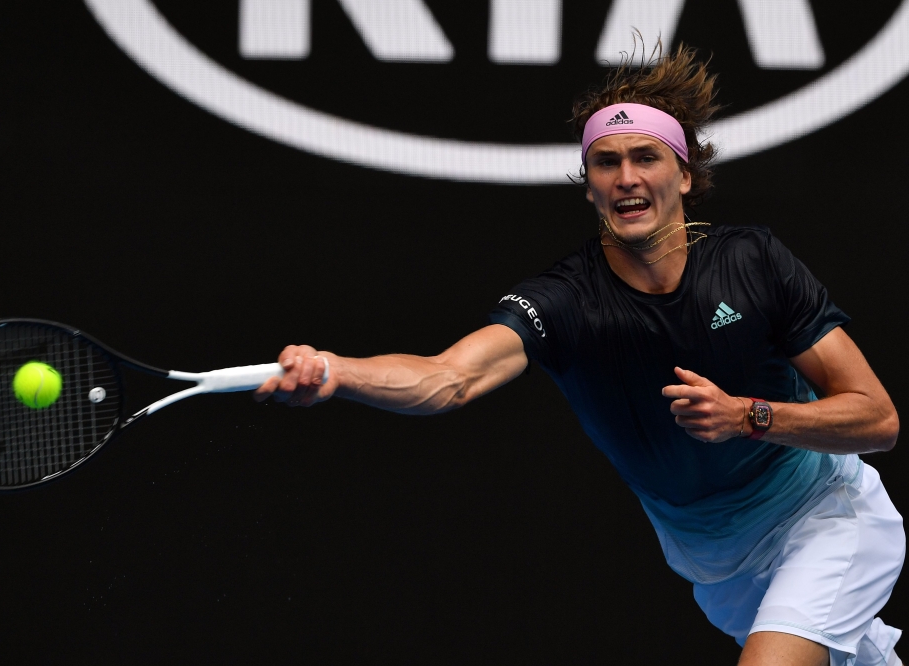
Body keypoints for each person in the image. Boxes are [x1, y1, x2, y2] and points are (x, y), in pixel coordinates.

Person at [254, 44, 903, 666]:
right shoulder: (565, 301)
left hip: (824, 517)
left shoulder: (754, 262)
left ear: (684, 175)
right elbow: (450, 377)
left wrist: (748, 416)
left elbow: (878, 419)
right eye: (605, 162)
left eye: (646, 157)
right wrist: (336, 371)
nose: (626, 178)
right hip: (712, 561)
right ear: (589, 186)